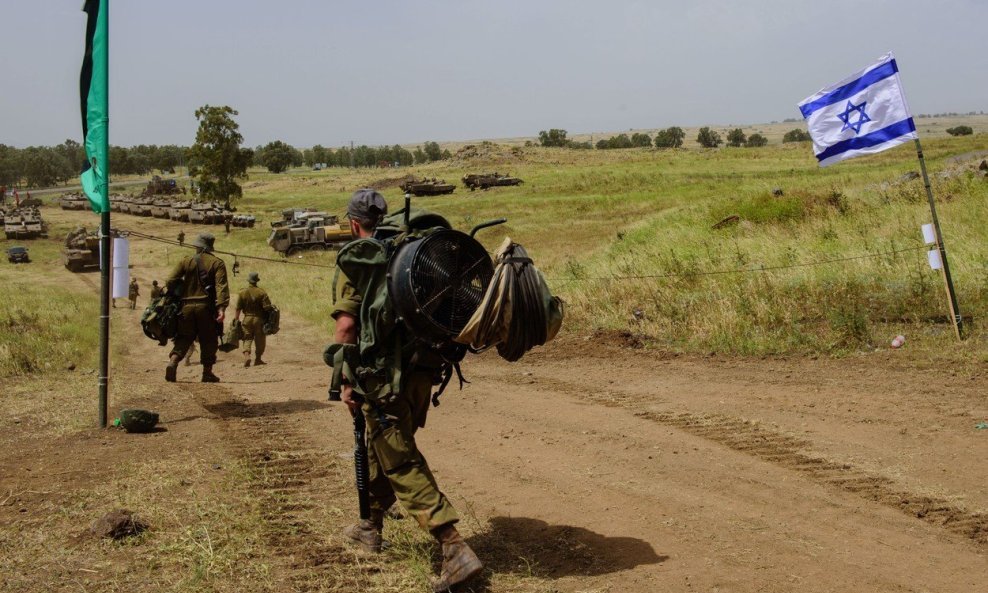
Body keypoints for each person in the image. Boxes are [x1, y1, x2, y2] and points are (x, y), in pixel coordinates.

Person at [331, 189, 482, 591]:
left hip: (384, 380)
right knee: (386, 447)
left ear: (353, 222)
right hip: (424, 374)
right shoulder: (418, 252)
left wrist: (346, 380)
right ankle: (370, 524)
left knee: (398, 459)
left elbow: (346, 327)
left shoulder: (362, 258)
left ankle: (453, 547)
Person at [164, 233, 229, 383]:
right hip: (206, 308)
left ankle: (173, 362)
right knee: (209, 339)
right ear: (210, 247)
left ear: (197, 246)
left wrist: (180, 292)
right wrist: (222, 308)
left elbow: (170, 281)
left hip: (185, 308)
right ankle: (207, 373)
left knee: (184, 337)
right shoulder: (217, 263)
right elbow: (221, 287)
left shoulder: (186, 261)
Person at [234, 271, 273, 368]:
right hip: (259, 320)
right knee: (260, 340)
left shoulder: (242, 292)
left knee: (247, 338)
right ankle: (258, 359)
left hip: (247, 319)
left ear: (249, 281)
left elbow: (238, 308)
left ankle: (247, 356)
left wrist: (236, 319)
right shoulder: (262, 292)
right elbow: (267, 308)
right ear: (256, 281)